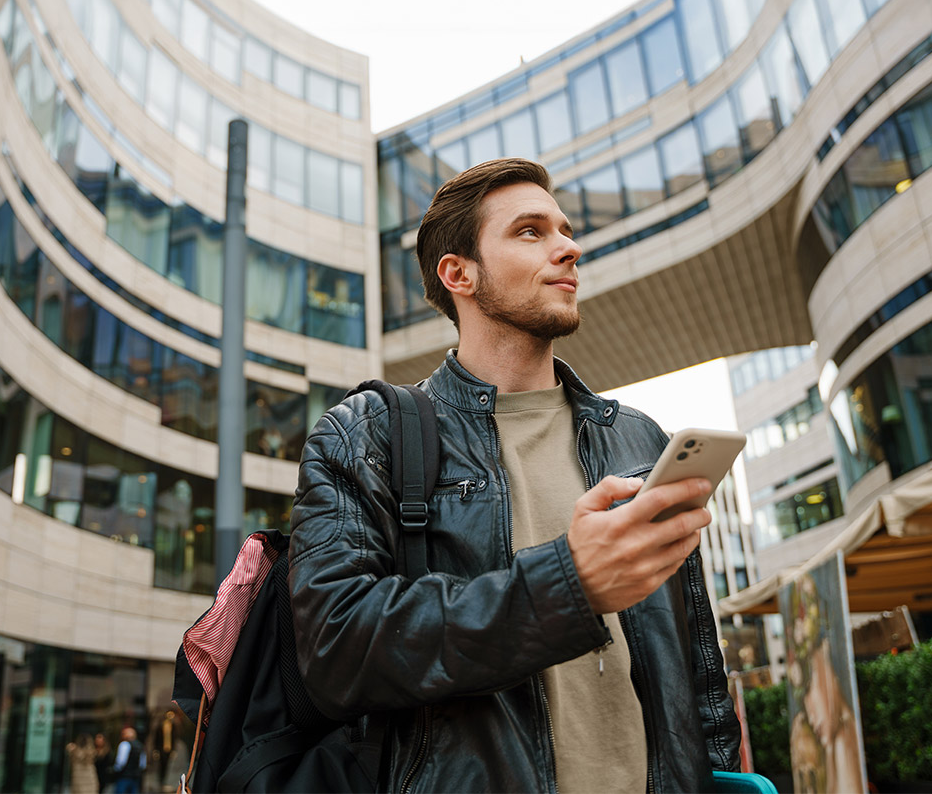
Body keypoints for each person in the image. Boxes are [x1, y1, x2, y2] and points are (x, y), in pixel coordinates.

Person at [289, 158, 741, 792]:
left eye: (564, 230)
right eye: (531, 232)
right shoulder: (368, 435)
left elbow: (697, 667)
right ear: (459, 273)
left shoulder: (639, 440)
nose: (569, 248)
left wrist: (721, 776)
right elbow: (337, 650)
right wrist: (569, 586)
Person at [110, 726, 145, 794]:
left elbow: (121, 762)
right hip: (135, 777)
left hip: (124, 777)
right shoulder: (141, 746)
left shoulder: (124, 744)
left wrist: (115, 770)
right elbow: (142, 764)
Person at [152, 710, 178, 790]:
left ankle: (165, 781)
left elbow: (174, 738)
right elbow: (156, 739)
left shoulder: (173, 726)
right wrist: (155, 750)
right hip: (161, 748)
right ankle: (161, 781)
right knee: (161, 765)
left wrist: (174, 750)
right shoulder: (160, 726)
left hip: (169, 748)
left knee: (168, 764)